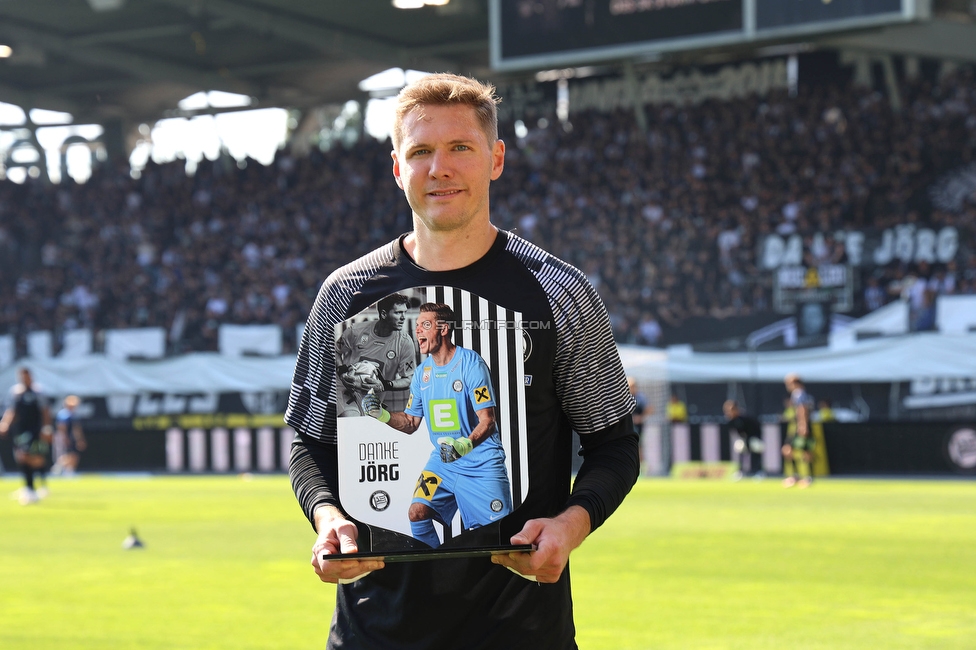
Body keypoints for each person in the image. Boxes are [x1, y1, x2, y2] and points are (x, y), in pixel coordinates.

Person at [285, 73, 640, 649]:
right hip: (374, 632)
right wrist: (329, 520)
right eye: (420, 151)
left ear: (495, 158)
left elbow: (615, 444)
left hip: (520, 631)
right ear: (397, 168)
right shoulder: (346, 297)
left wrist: (569, 527)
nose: (439, 168)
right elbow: (311, 444)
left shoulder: (560, 293)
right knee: (419, 513)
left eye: (460, 149)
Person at [362, 302, 512, 548]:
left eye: (425, 325)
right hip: (443, 463)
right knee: (417, 513)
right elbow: (411, 422)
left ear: (443, 329)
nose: (418, 331)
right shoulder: (422, 374)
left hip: (480, 462)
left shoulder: (471, 364)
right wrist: (382, 414)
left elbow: (488, 421)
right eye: (417, 326)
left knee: (495, 538)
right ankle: (434, 572)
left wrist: (464, 445)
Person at [335, 292, 416, 415]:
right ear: (383, 314)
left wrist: (384, 385)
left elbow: (408, 379)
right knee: (351, 418)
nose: (403, 317)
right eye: (398, 312)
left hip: (371, 400)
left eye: (404, 312)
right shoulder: (356, 331)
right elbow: (335, 350)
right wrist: (342, 372)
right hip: (347, 391)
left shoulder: (405, 343)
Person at [0, 367, 53, 505]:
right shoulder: (16, 393)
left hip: (35, 430)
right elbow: (11, 411)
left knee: (35, 458)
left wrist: (47, 428)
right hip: (20, 431)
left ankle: (34, 487)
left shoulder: (38, 392)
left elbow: (45, 411)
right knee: (22, 457)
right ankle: (30, 489)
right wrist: (5, 424)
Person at [781, 373, 815, 488]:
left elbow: (802, 409)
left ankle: (800, 477)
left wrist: (803, 425)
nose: (787, 386)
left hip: (800, 426)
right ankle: (804, 477)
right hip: (801, 425)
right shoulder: (802, 394)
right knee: (804, 451)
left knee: (789, 450)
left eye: (788, 384)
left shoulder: (799, 394)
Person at [723, 400, 764, 480]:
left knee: (755, 447)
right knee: (740, 447)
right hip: (745, 439)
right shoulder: (731, 421)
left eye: (731, 410)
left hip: (754, 438)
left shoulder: (744, 418)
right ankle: (740, 471)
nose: (729, 413)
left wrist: (749, 440)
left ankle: (758, 471)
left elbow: (754, 429)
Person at [53, 395, 86, 476]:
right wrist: (65, 438)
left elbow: (77, 429)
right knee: (66, 455)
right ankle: (58, 467)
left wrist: (80, 439)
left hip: (72, 437)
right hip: (65, 437)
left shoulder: (74, 415)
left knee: (74, 455)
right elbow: (61, 428)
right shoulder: (63, 414)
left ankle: (69, 471)